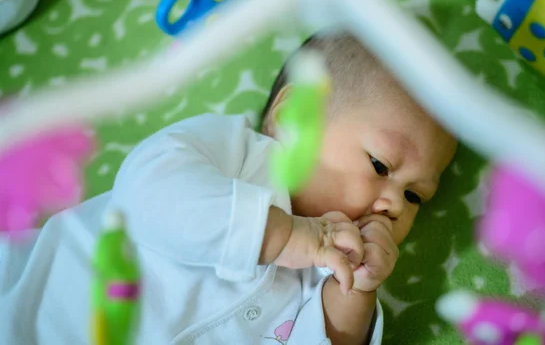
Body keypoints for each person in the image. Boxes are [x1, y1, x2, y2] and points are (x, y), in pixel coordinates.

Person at [0, 31, 456, 345]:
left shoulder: (327, 279)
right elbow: (145, 188)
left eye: (416, 195)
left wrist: (356, 292)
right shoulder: (236, 154)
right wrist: (287, 236)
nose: (394, 204)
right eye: (380, 164)